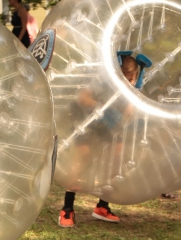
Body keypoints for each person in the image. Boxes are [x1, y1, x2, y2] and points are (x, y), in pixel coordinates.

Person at [59, 51, 152, 227]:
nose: (130, 82)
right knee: (81, 161)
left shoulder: (131, 86)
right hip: (86, 121)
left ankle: (102, 206)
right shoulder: (103, 82)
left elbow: (127, 113)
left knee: (116, 158)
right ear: (119, 74)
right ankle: (67, 209)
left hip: (107, 126)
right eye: (127, 78)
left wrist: (130, 103)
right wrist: (101, 107)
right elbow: (83, 97)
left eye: (132, 79)